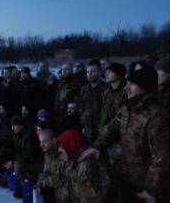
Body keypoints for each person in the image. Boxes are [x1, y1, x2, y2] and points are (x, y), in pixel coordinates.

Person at [82, 68, 170, 203]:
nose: (126, 88)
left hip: (144, 186)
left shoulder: (156, 115)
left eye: (132, 84)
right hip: (125, 176)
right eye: (127, 83)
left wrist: (151, 189)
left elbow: (161, 158)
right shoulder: (128, 107)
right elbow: (111, 129)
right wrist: (97, 146)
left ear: (144, 86)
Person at [58, 130, 110, 203]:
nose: (59, 150)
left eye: (62, 146)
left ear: (71, 144)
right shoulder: (75, 160)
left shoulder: (86, 167)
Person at [4, 115, 44, 199]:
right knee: (3, 182)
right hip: (21, 160)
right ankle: (20, 186)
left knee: (18, 166)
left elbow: (29, 155)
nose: (12, 128)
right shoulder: (14, 134)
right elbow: (12, 149)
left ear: (21, 126)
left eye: (14, 125)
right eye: (12, 125)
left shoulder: (29, 136)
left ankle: (25, 188)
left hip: (33, 161)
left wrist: (14, 162)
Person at [78, 60, 108, 144]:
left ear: (99, 72)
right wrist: (83, 125)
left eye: (92, 71)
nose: (89, 74)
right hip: (87, 130)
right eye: (87, 72)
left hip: (101, 130)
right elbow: (81, 108)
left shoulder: (106, 89)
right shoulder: (84, 89)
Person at [37, 129, 70, 203]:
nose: (41, 145)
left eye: (45, 142)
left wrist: (46, 181)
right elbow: (46, 172)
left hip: (67, 192)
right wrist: (39, 184)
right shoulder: (48, 154)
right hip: (56, 187)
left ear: (54, 140)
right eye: (40, 142)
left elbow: (65, 180)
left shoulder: (64, 154)